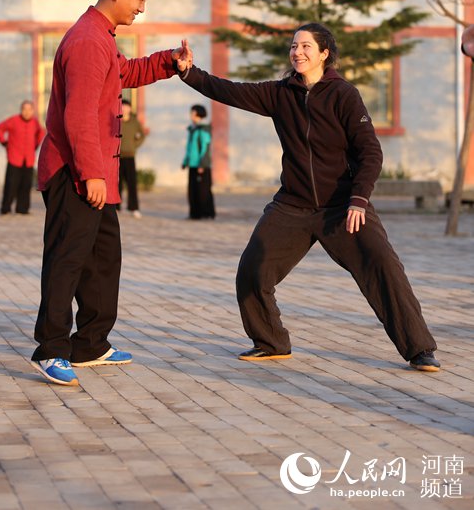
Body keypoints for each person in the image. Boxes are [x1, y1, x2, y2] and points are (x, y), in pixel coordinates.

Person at [180, 23, 440, 372]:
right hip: (293, 205)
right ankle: (271, 341)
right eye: (293, 46)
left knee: (383, 267)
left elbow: (370, 152)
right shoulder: (280, 93)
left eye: (305, 46)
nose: (297, 52)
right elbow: (230, 91)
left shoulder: (344, 95)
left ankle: (419, 349)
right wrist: (189, 73)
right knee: (252, 270)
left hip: (343, 206)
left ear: (324, 53)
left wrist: (359, 199)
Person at [31, 0, 192, 387]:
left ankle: (91, 343)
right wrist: (91, 173)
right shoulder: (86, 40)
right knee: (67, 257)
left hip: (92, 169)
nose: (142, 7)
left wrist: (167, 63)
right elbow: (78, 115)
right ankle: (50, 349)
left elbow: (125, 73)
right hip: (73, 171)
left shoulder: (102, 37)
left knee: (103, 258)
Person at [0, 100, 45, 215]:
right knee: (11, 185)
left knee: (26, 185)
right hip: (14, 158)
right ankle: (6, 208)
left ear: (32, 111)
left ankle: (22, 209)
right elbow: (0, 128)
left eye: (29, 109)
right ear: (21, 110)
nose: (27, 112)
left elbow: (41, 132)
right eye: (24, 109)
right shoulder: (13, 120)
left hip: (28, 159)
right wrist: (4, 142)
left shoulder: (35, 122)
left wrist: (36, 145)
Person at [182, 104, 216, 220]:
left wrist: (203, 164)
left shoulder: (203, 129)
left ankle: (206, 213)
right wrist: (185, 161)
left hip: (202, 165)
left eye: (193, 113)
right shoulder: (192, 129)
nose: (191, 115)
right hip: (192, 164)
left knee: (203, 191)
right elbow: (190, 147)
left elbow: (205, 148)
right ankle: (194, 214)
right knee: (192, 191)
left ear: (199, 114)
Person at [118, 99, 146, 219]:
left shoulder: (134, 122)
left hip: (130, 156)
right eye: (122, 106)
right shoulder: (116, 119)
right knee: (116, 183)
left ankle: (134, 207)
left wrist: (135, 145)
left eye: (126, 107)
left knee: (131, 183)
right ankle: (116, 207)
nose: (124, 109)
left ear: (130, 108)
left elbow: (142, 135)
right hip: (117, 156)